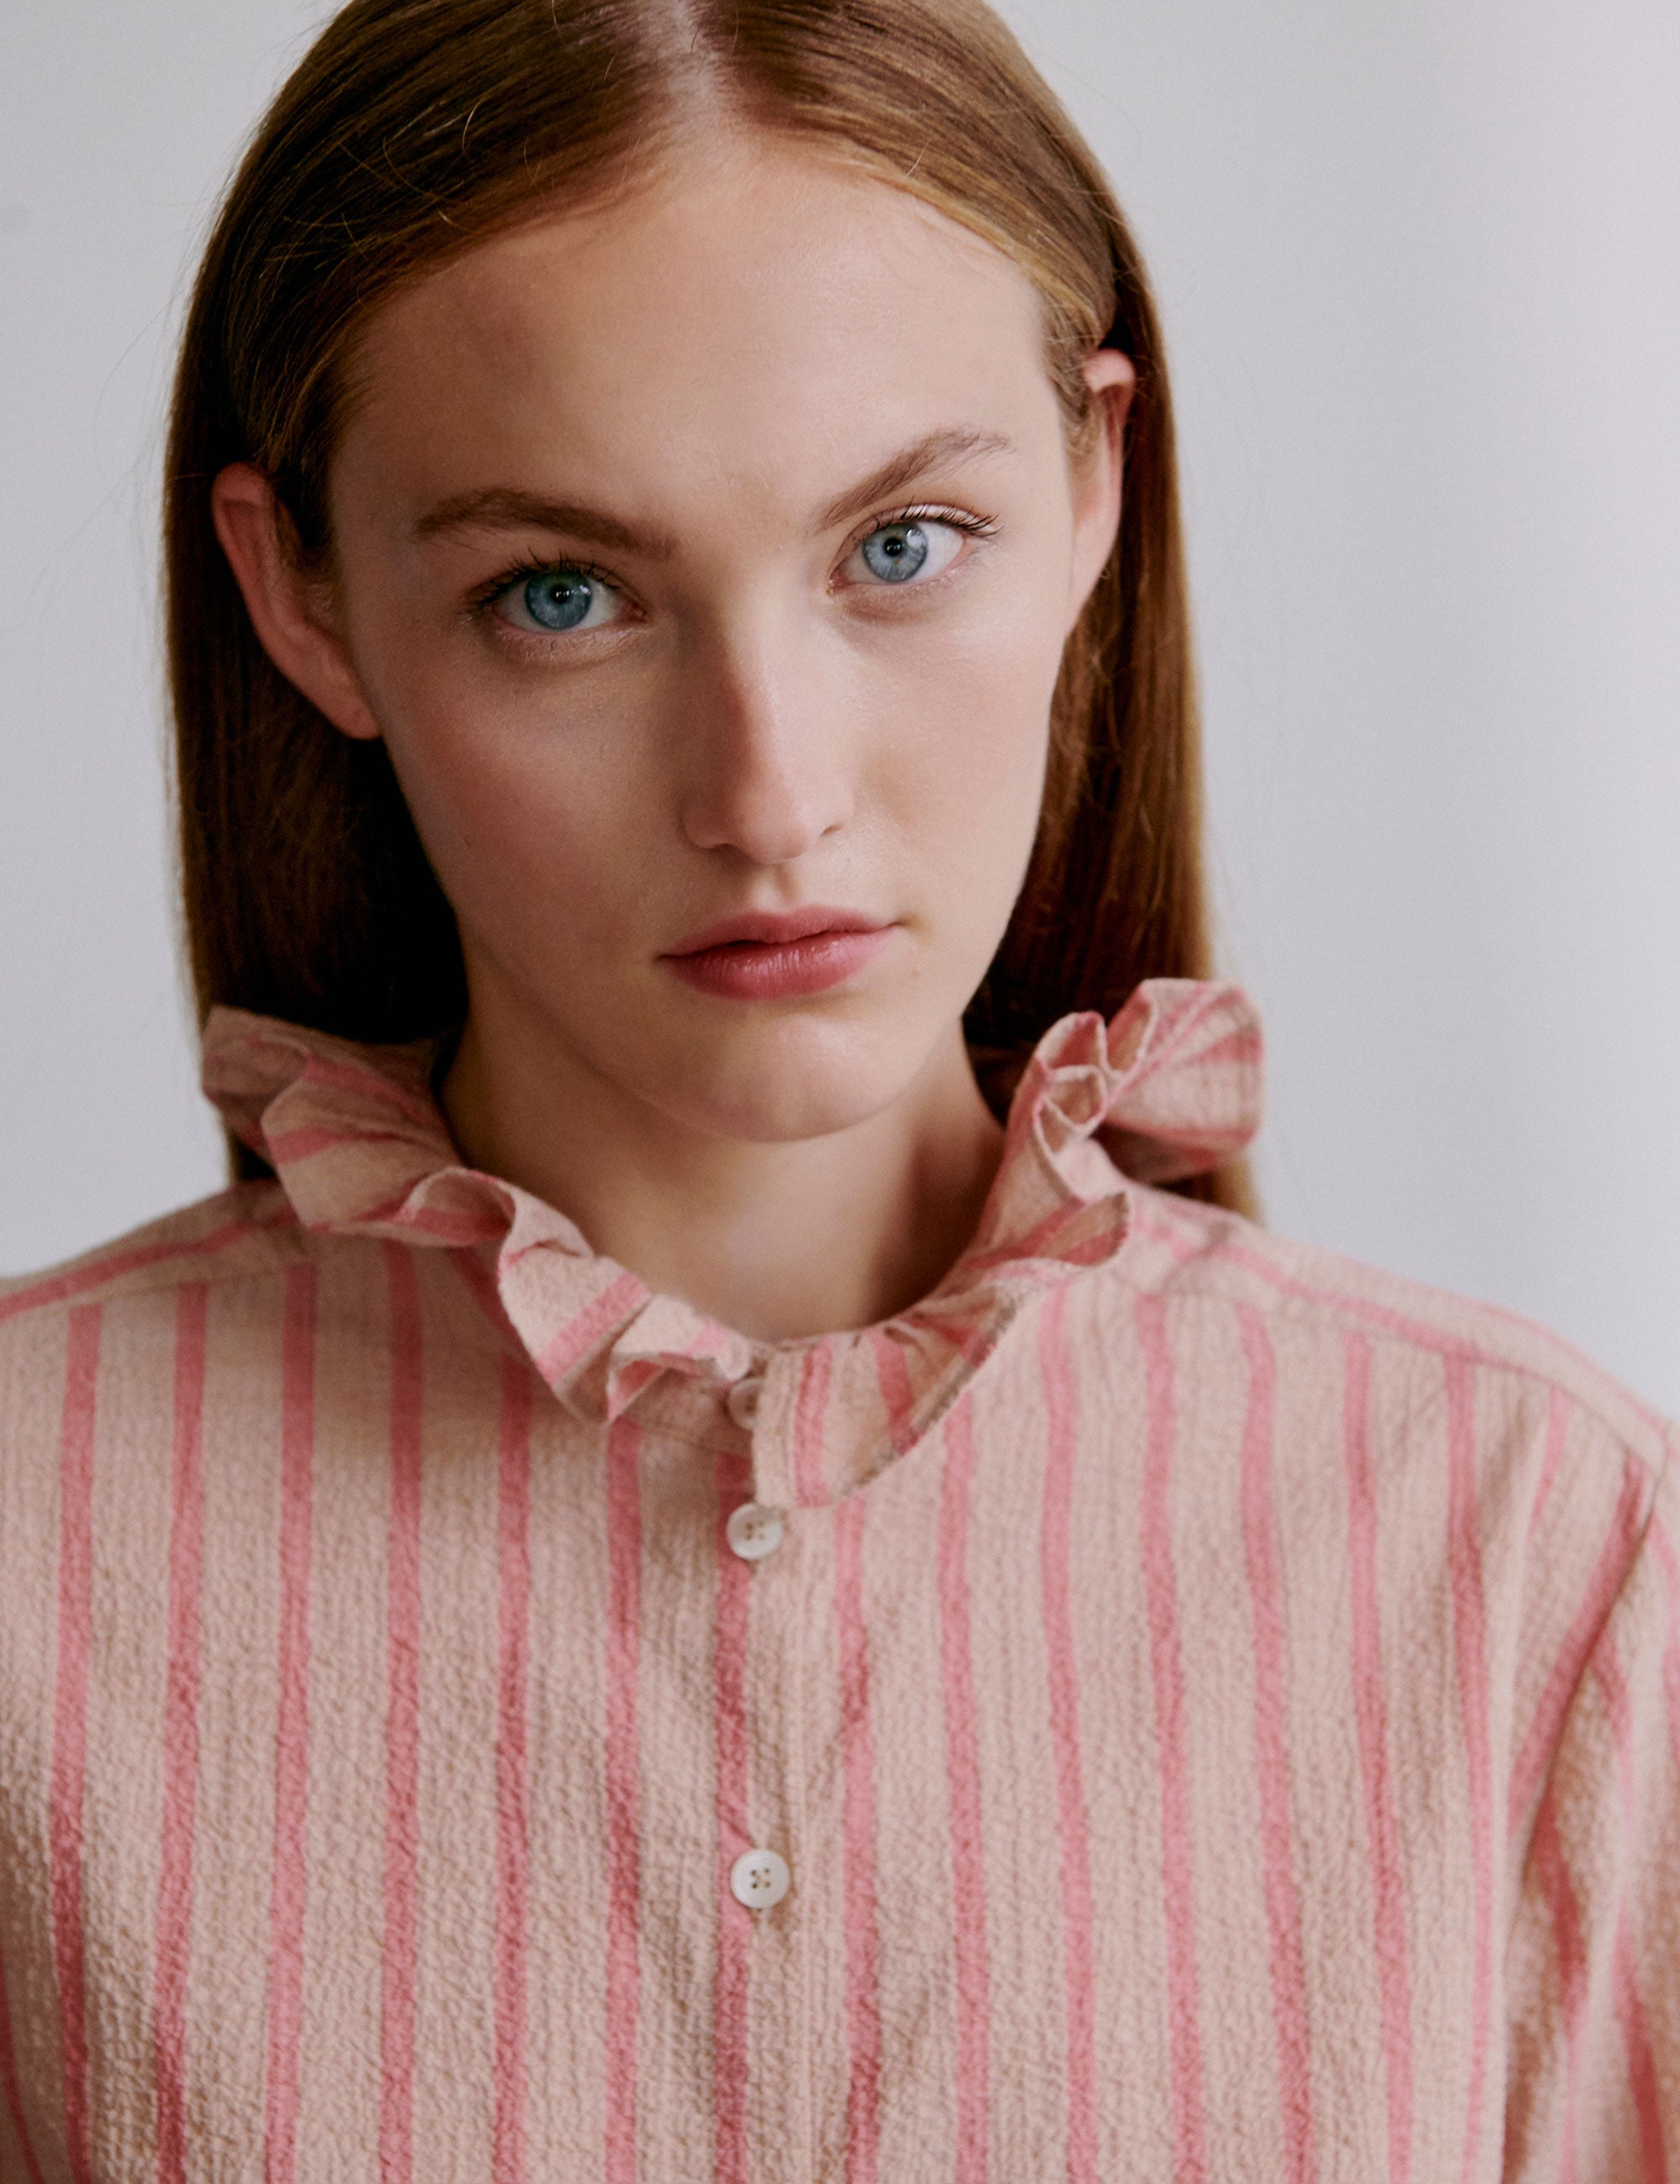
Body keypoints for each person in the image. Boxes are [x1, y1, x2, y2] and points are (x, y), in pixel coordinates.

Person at [0, 0, 1674, 2175]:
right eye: (565, 594)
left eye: (899, 546)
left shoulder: (1534, 1547)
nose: (769, 795)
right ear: (303, 596)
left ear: (1094, 488)